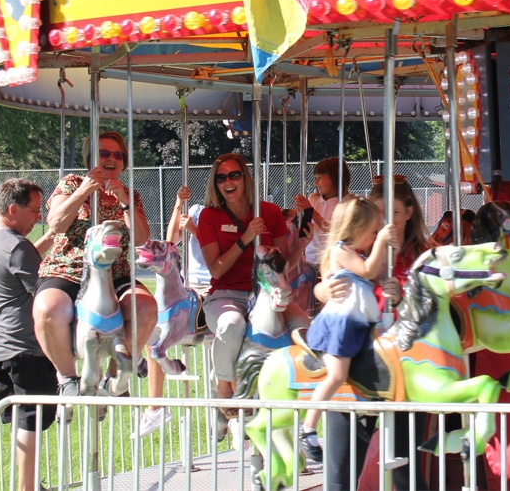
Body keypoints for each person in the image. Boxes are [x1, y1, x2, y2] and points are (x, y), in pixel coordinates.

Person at [315, 176, 432, 490]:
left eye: (391, 213)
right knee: (340, 472)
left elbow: (441, 308)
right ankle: (307, 427)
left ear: (408, 212)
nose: (383, 223)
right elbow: (331, 273)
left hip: (402, 369)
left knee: (406, 471)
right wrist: (322, 289)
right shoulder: (363, 249)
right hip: (358, 358)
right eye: (378, 214)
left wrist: (405, 295)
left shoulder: (424, 256)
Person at [33, 131, 155, 400]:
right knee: (48, 307)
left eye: (118, 155)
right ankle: (67, 377)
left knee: (145, 307)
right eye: (104, 153)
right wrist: (85, 190)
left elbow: (142, 239)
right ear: (91, 157)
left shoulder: (130, 194)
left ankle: (115, 374)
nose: (111, 159)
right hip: (69, 268)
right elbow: (57, 224)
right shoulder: (71, 183)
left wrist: (124, 201)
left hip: (116, 272)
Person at [0, 179, 57, 491]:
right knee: (31, 421)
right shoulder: (17, 246)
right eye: (34, 211)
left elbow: (14, 262)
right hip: (26, 349)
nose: (38, 217)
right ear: (13, 209)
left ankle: (28, 483)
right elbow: (44, 292)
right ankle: (27, 488)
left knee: (22, 420)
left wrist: (49, 237)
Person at [300, 197, 397, 463]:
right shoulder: (341, 252)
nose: (375, 236)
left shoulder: (359, 254)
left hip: (360, 325)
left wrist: (387, 248)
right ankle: (308, 428)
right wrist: (381, 243)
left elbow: (376, 272)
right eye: (372, 232)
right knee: (337, 373)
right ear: (356, 230)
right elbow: (367, 271)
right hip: (340, 325)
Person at [196, 154, 288, 410]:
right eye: (221, 177)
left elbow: (283, 260)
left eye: (234, 175)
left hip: (265, 292)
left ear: (245, 178)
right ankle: (224, 386)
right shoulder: (209, 216)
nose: (228, 181)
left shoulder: (269, 211)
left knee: (302, 322)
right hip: (226, 294)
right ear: (215, 183)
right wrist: (245, 238)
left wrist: (296, 247)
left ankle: (304, 384)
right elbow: (216, 269)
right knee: (232, 324)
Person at [136, 185, 211, 438]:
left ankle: (230, 410)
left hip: (216, 283)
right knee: (151, 333)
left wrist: (195, 230)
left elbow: (220, 245)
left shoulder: (235, 215)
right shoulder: (198, 210)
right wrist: (179, 204)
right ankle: (155, 407)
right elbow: (172, 240)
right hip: (189, 282)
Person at [293, 157, 351, 269]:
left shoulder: (346, 203)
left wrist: (310, 210)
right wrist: (299, 213)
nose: (315, 182)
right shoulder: (313, 198)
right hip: (310, 259)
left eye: (319, 178)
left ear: (335, 179)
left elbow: (334, 231)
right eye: (315, 178)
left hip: (332, 263)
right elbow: (306, 228)